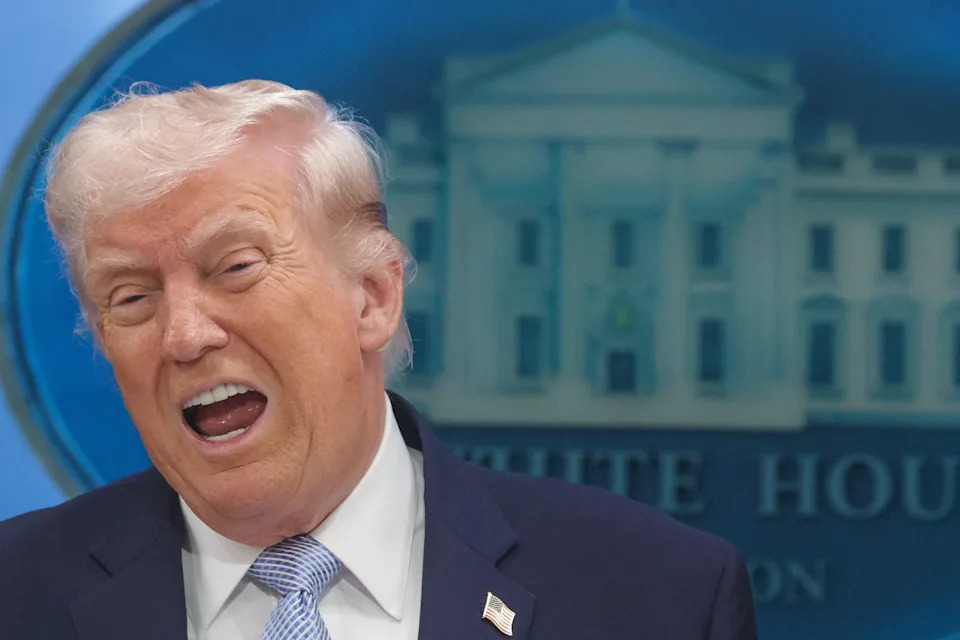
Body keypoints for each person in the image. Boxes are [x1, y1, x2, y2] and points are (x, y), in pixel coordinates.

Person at [0, 80, 757, 640]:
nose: (185, 335)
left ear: (372, 297)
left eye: (235, 268)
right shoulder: (15, 594)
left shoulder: (661, 597)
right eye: (131, 297)